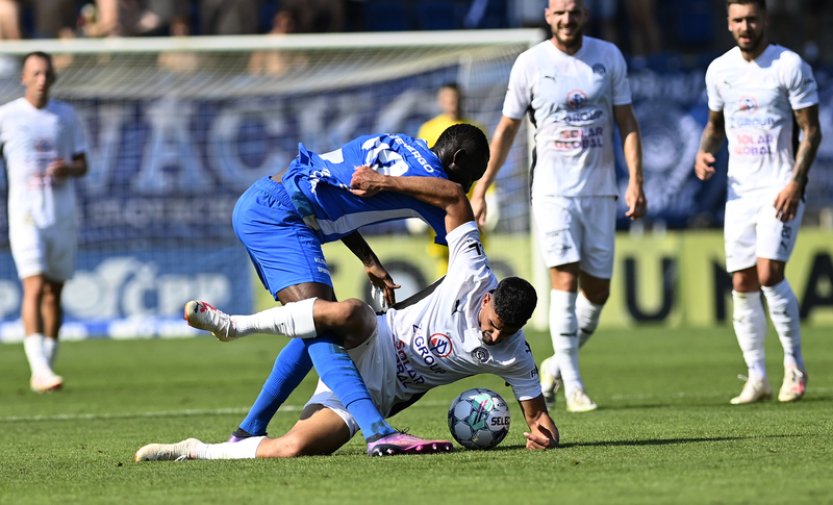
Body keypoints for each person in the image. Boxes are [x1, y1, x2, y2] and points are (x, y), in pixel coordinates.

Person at [134, 166, 558, 461]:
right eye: (490, 327)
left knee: (293, 448)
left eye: (503, 335)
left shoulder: (513, 355)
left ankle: (194, 449)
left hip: (377, 392)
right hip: (373, 335)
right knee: (352, 313)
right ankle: (235, 325)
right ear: (487, 300)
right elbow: (453, 196)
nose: (492, 338)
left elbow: (539, 418)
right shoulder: (473, 271)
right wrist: (386, 181)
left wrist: (543, 436)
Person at [216, 123, 490, 456]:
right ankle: (377, 432)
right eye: (472, 177)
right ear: (458, 160)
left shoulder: (400, 144)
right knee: (324, 324)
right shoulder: (435, 185)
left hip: (269, 201)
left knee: (317, 323)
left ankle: (248, 430)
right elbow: (469, 260)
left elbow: (334, 186)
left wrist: (368, 259)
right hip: (280, 217)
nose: (467, 186)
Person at [470, 0, 646, 414]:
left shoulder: (608, 57)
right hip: (552, 191)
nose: (567, 19)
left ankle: (555, 366)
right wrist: (481, 188)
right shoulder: (530, 63)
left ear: (584, 14)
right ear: (548, 15)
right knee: (564, 280)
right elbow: (507, 129)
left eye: (574, 11)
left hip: (600, 191)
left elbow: (627, 121)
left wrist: (636, 179)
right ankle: (576, 385)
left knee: (597, 291)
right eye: (559, 12)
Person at [694, 0, 821, 405]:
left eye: (752, 19)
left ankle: (794, 367)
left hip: (780, 188)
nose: (745, 27)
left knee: (769, 274)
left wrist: (795, 183)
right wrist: (703, 152)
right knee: (742, 283)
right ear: (728, 24)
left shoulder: (789, 65)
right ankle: (757, 376)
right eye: (738, 20)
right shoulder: (720, 70)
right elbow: (715, 127)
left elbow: (811, 131)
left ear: (764, 20)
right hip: (740, 193)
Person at [0, 51, 88, 393]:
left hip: (61, 214)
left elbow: (83, 163)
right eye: (35, 73)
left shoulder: (65, 116)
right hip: (25, 215)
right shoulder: (7, 116)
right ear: (23, 77)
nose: (41, 79)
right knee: (34, 286)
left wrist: (69, 169)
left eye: (46, 74)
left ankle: (45, 366)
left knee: (54, 293)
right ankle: (39, 369)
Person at [415, 83, 496, 276]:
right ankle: (449, 302)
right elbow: (421, 165)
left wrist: (490, 195)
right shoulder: (428, 129)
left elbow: (485, 166)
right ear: (441, 101)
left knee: (472, 257)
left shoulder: (476, 128)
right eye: (449, 99)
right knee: (444, 259)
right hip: (439, 203)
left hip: (468, 202)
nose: (453, 103)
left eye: (456, 99)